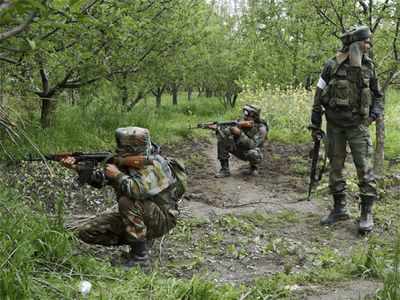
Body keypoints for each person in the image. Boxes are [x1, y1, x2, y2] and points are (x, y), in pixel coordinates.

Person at [60, 127, 187, 267]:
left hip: (162, 220)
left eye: (123, 149)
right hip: (142, 217)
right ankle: (141, 240)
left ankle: (140, 258)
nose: (119, 153)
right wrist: (78, 168)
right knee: (88, 232)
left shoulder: (156, 165)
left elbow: (138, 191)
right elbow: (101, 181)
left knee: (127, 202)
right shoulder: (125, 162)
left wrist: (118, 175)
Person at [309, 25, 383, 233]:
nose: (368, 46)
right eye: (364, 42)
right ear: (353, 44)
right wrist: (315, 124)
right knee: (335, 168)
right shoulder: (331, 65)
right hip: (334, 127)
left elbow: (378, 95)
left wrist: (374, 115)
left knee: (364, 169)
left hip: (358, 127)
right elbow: (318, 95)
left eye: (369, 42)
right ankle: (339, 208)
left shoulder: (369, 67)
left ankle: (366, 213)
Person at [214, 104, 268, 177]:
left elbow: (252, 145)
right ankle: (225, 169)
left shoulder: (261, 129)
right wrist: (220, 130)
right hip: (239, 149)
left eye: (247, 115)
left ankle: (253, 168)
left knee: (253, 153)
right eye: (245, 114)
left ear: (254, 116)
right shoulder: (241, 122)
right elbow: (227, 132)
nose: (245, 117)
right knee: (223, 138)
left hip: (252, 153)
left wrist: (240, 134)